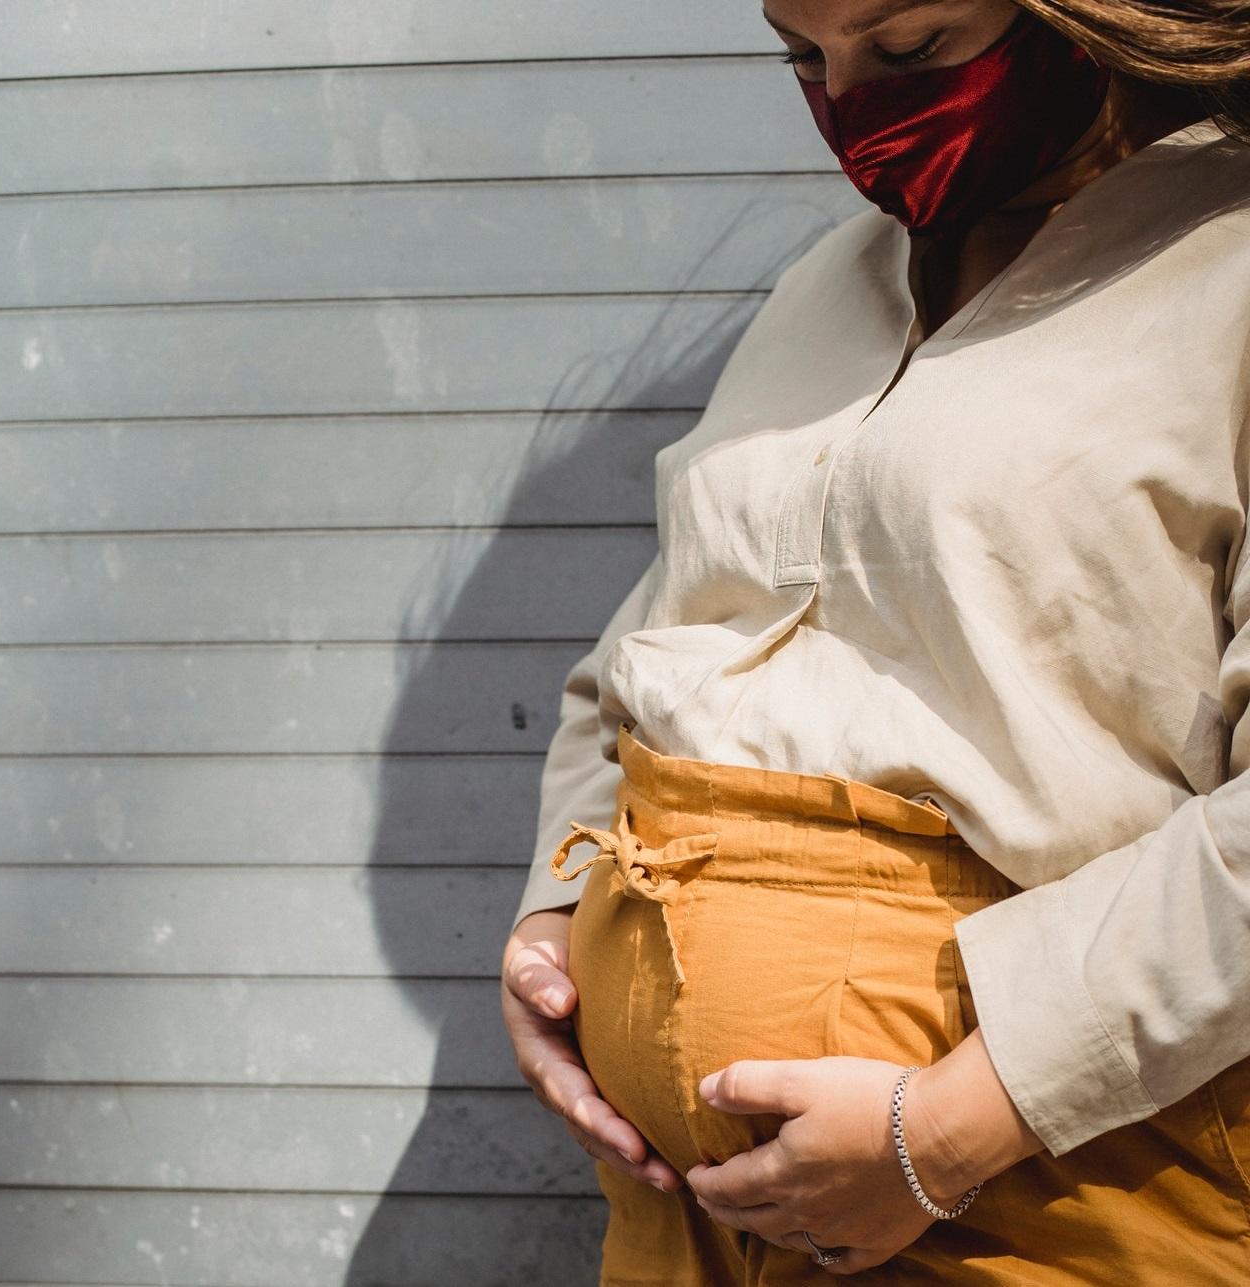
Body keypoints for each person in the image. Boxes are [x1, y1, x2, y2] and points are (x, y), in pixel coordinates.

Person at [500, 0, 1250, 1280]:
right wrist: (560, 911)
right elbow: (662, 633)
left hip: (1040, 1196)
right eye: (801, 53)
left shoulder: (1224, 270)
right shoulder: (826, 284)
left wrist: (943, 1133)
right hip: (692, 1219)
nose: (850, 99)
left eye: (908, 50)